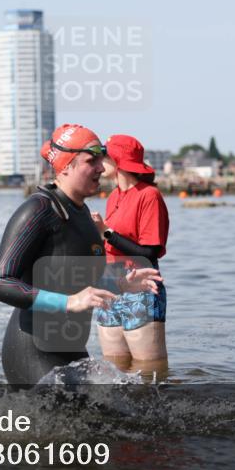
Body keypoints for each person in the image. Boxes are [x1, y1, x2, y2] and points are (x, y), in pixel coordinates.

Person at [0, 124, 162, 387]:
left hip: (70, 347)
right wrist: (68, 302)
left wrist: (120, 283)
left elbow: (76, 278)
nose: (102, 169)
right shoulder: (38, 211)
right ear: (66, 166)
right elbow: (0, 284)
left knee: (120, 416)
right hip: (33, 350)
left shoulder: (81, 214)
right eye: (91, 161)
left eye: (101, 161)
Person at [90, 135, 170, 374]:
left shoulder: (149, 195)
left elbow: (150, 252)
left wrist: (105, 232)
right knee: (115, 371)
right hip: (109, 286)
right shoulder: (113, 196)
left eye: (104, 156)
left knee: (150, 371)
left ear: (119, 160)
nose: (99, 161)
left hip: (140, 288)